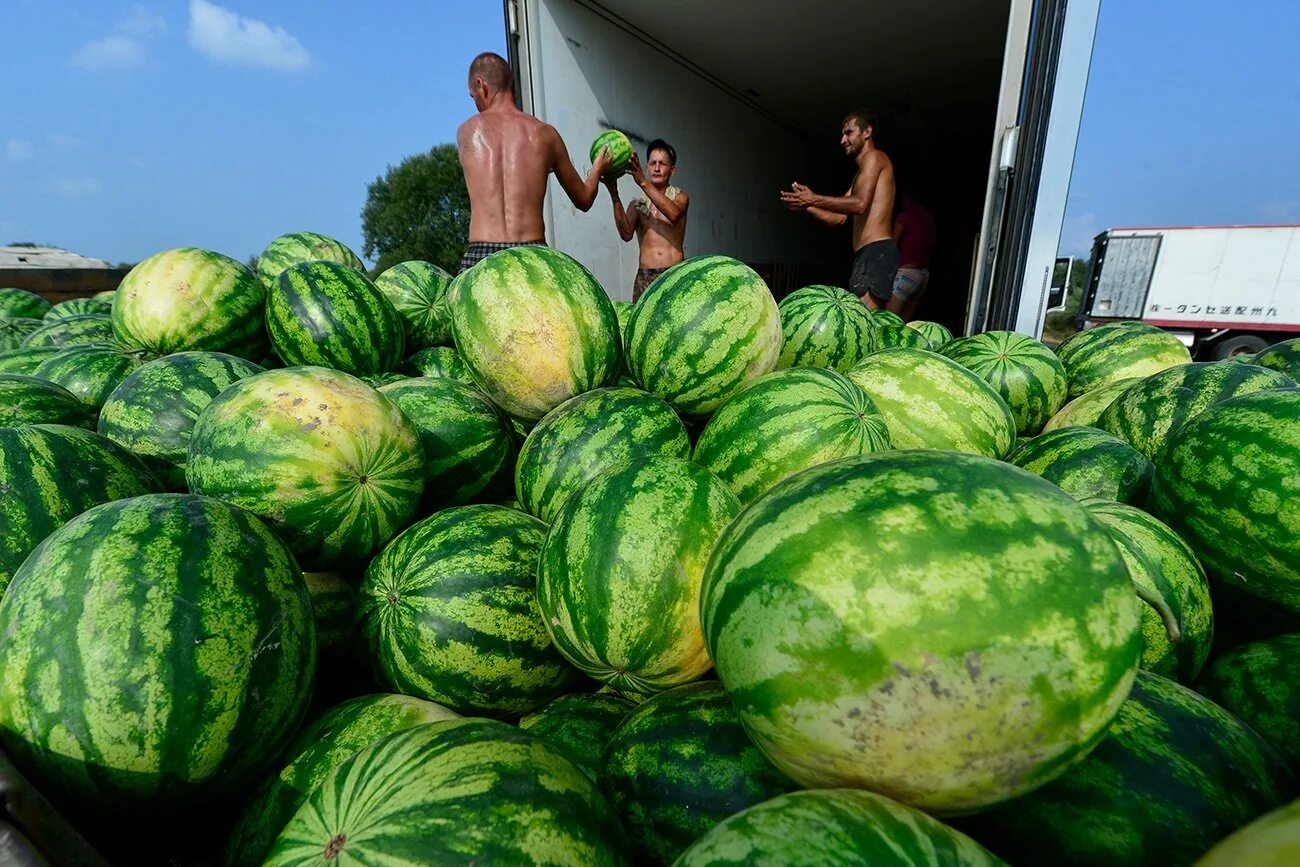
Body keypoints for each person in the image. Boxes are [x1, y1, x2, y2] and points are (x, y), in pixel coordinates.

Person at [455, 52, 612, 273]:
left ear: (481, 85)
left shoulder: (466, 132)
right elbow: (584, 199)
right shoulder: (546, 135)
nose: (476, 104)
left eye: (474, 97)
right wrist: (597, 169)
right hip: (534, 254)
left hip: (481, 256)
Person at [780, 109, 896, 308]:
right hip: (865, 254)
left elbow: (859, 204)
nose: (843, 140)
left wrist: (813, 198)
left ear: (867, 132)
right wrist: (806, 204)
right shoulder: (860, 174)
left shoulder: (874, 158)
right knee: (860, 320)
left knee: (863, 321)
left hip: (877, 251)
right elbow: (838, 218)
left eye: (849, 133)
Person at [604, 139, 690, 300]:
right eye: (653, 163)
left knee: (676, 324)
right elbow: (626, 234)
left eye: (662, 164)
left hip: (674, 273)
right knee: (641, 325)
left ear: (672, 170)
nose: (657, 168)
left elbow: (674, 215)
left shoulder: (680, 197)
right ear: (647, 168)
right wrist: (614, 194)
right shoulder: (638, 204)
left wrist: (643, 182)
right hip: (645, 278)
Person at [891, 191, 938, 320]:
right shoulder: (930, 219)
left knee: (889, 321)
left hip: (907, 273)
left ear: (905, 199)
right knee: (905, 325)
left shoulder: (905, 217)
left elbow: (893, 244)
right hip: (923, 276)